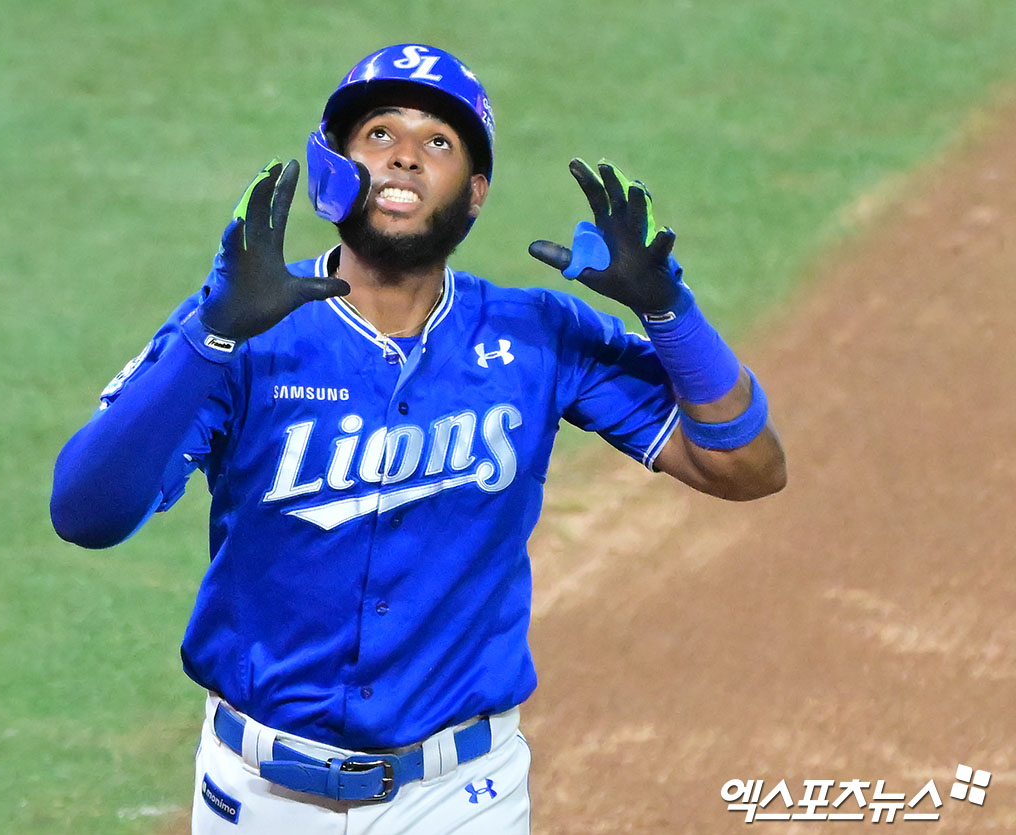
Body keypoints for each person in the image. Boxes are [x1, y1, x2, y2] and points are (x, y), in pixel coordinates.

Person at [50, 43, 786, 834]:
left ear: (474, 194)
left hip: (460, 798)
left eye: (437, 141)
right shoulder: (243, 328)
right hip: (256, 798)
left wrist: (670, 312)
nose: (404, 155)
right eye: (379, 134)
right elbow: (84, 513)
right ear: (333, 168)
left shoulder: (540, 336)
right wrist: (211, 335)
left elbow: (747, 466)